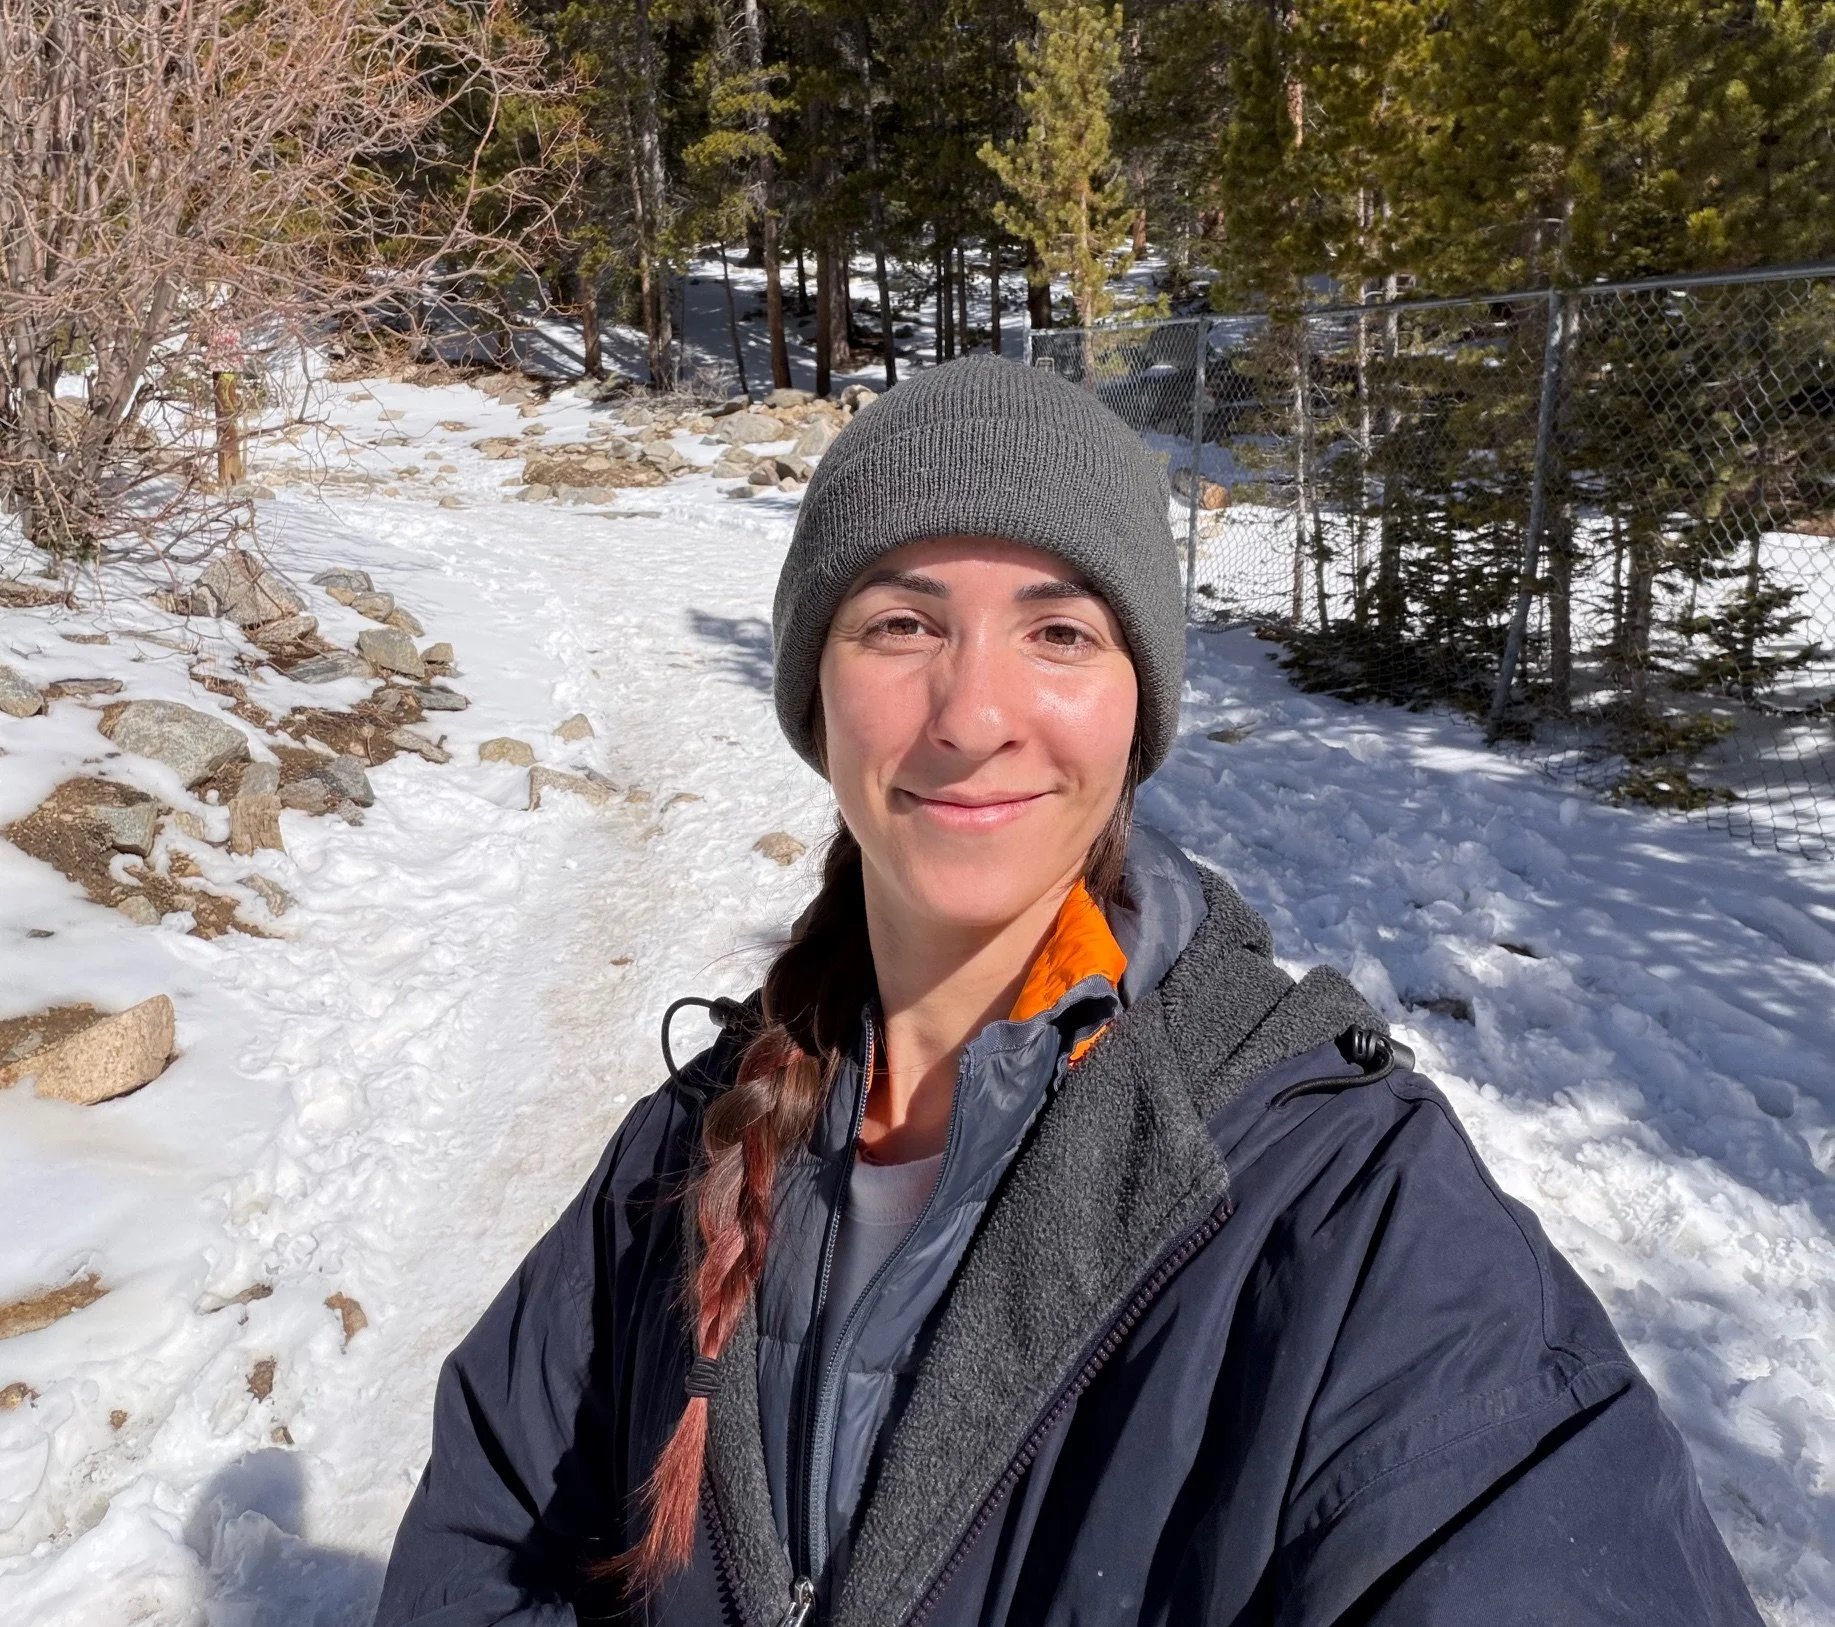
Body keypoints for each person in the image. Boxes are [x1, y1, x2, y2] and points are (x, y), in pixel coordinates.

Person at [374, 355, 1760, 1627]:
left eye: (1058, 634)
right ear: (817, 693)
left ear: (1134, 706)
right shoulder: (682, 1158)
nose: (972, 713)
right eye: (902, 621)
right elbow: (488, 1548)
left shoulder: (1337, 1208)